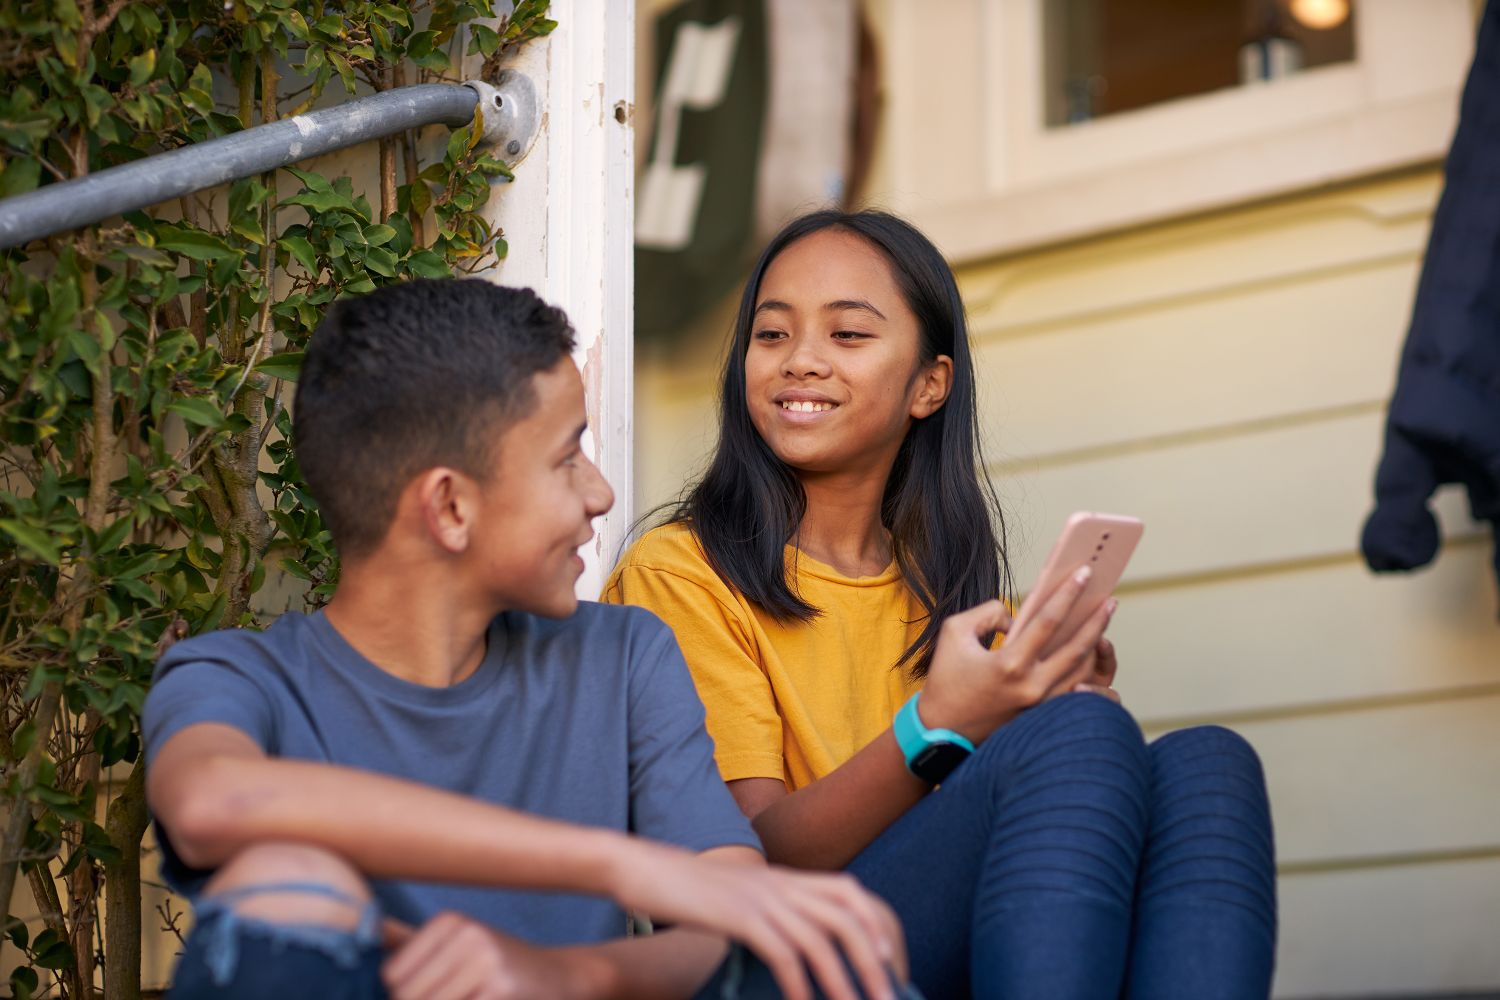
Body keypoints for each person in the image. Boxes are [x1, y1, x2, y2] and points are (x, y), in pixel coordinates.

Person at [143, 279, 914, 1000]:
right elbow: (214, 802)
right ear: (449, 507)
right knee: (287, 879)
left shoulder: (620, 657)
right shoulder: (234, 679)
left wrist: (560, 972)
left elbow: (733, 923)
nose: (601, 492)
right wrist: (623, 866)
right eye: (566, 456)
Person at [604, 210, 1279, 999]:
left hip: (920, 940)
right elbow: (751, 860)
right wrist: (941, 728)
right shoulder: (683, 571)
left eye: (848, 336)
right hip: (772, 963)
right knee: (1081, 735)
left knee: (1208, 762)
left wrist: (1030, 712)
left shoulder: (939, 582)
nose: (801, 362)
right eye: (771, 335)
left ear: (930, 385)